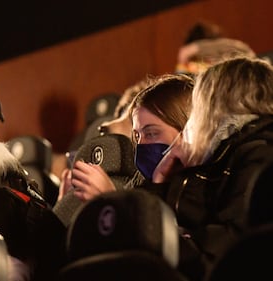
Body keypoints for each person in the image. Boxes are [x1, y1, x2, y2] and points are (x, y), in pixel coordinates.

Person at [149, 56, 273, 280]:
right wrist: (162, 181)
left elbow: (216, 252)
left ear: (211, 105)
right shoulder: (223, 155)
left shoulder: (258, 154)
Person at [61, 73, 194, 202]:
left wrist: (111, 199)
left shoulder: (202, 192)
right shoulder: (139, 185)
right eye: (136, 136)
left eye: (151, 133)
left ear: (187, 132)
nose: (140, 144)